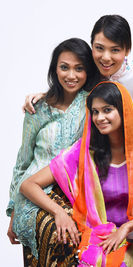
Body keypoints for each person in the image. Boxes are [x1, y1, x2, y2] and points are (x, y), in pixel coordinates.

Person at [20, 81, 133, 267]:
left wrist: (126, 228)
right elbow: (28, 185)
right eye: (95, 111)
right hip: (98, 238)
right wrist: (59, 212)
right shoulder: (84, 152)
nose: (100, 117)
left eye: (107, 110)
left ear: (124, 110)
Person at [23, 14, 133, 163]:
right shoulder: (90, 70)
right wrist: (44, 97)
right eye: (99, 48)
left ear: (127, 50)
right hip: (99, 157)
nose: (105, 57)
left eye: (115, 50)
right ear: (92, 46)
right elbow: (70, 88)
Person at [6, 38, 99, 266]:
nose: (71, 75)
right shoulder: (37, 109)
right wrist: (13, 211)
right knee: (50, 234)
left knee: (70, 237)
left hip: (73, 194)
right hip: (33, 196)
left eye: (79, 68)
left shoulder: (93, 106)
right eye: (64, 67)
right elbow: (23, 162)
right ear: (54, 68)